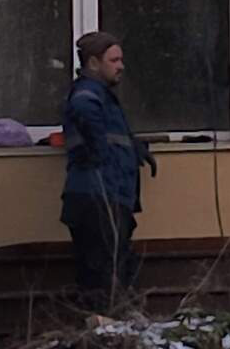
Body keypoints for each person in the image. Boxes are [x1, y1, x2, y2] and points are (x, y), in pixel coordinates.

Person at [61, 31, 156, 309]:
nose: (121, 66)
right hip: (97, 196)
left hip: (108, 195)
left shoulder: (103, 97)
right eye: (114, 60)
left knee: (114, 267)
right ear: (93, 63)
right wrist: (98, 148)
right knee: (102, 275)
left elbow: (111, 135)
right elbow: (84, 111)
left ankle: (109, 321)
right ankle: (104, 323)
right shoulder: (88, 93)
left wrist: (134, 148)